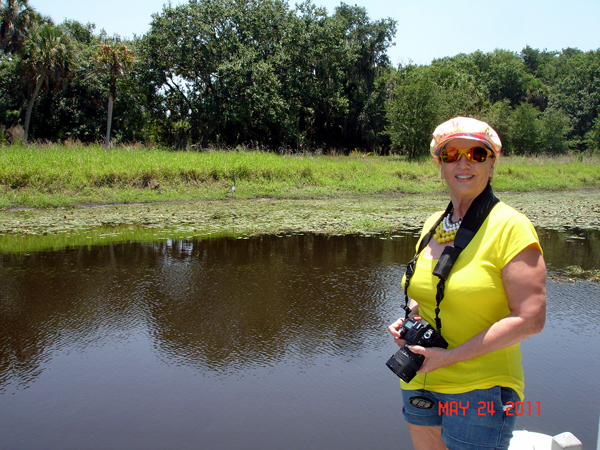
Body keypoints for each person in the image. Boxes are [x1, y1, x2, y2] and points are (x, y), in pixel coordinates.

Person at [388, 117, 546, 450]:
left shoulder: (511, 227)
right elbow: (431, 292)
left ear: (492, 164)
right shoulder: (434, 223)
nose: (464, 162)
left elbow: (531, 319)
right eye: (452, 154)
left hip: (480, 388)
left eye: (476, 153)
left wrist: (451, 357)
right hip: (420, 377)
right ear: (440, 164)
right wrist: (411, 319)